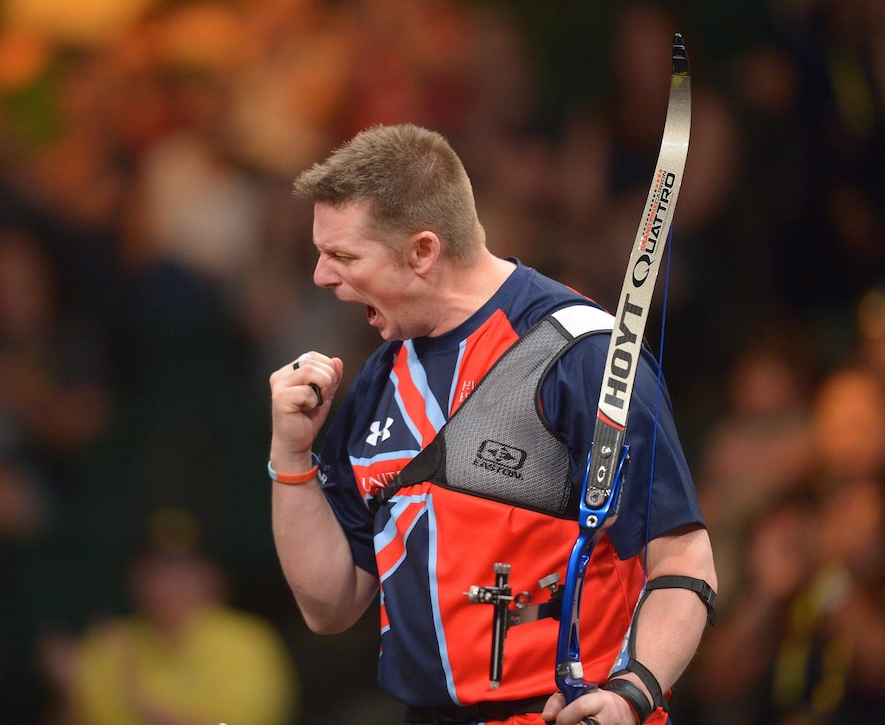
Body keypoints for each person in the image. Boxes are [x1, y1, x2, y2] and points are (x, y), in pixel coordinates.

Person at [268, 123, 717, 725]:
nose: (321, 277)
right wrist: (293, 455)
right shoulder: (378, 379)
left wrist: (633, 693)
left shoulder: (582, 354)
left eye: (343, 256)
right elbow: (330, 605)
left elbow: (685, 558)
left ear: (423, 251)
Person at [40, 508, 299, 725]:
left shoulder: (248, 641)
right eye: (155, 571)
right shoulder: (111, 640)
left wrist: (141, 703)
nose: (167, 584)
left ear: (214, 577)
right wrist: (69, 693)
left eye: (182, 571)